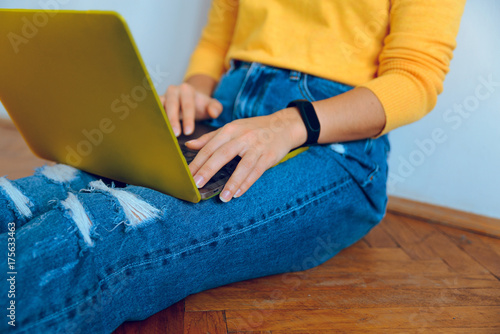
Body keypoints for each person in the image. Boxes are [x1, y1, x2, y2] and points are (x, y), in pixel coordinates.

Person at [0, 1, 465, 333]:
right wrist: (194, 91)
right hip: (225, 108)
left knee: (110, 226)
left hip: (329, 135)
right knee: (31, 195)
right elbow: (215, 45)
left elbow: (416, 77)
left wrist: (291, 122)